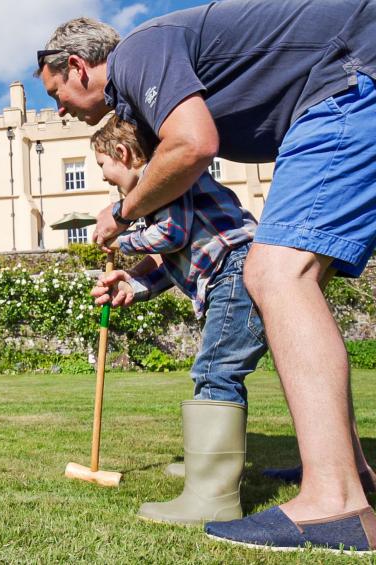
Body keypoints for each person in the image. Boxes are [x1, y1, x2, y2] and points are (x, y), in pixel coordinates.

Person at [37, 1, 376, 553]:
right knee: (293, 278)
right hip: (342, 84)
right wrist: (138, 279)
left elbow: (194, 146)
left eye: (57, 96)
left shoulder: (139, 54)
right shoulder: (149, 112)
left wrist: (122, 218)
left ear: (78, 66)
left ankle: (330, 502)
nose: (59, 112)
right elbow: (180, 246)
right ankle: (349, 472)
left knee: (276, 274)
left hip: (349, 82)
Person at [90, 115, 266, 525]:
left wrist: (121, 233)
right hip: (228, 272)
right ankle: (207, 468)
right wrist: (132, 285)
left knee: (215, 371)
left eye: (102, 166)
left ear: (123, 153)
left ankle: (214, 496)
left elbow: (172, 235)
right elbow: (172, 260)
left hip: (235, 271)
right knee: (212, 372)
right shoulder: (156, 192)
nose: (103, 178)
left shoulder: (160, 174)